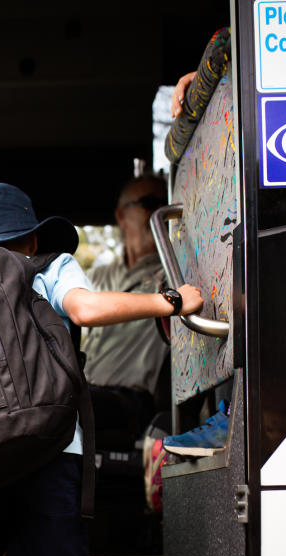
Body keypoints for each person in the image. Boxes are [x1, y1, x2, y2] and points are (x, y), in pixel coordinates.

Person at [0, 183, 202, 556]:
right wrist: (172, 301)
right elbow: (83, 309)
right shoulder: (48, 266)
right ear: (34, 238)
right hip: (50, 447)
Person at [81, 175, 172, 451]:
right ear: (122, 216)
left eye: (165, 203)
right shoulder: (95, 277)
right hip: (89, 395)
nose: (160, 210)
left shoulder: (173, 273)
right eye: (149, 203)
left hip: (135, 403)